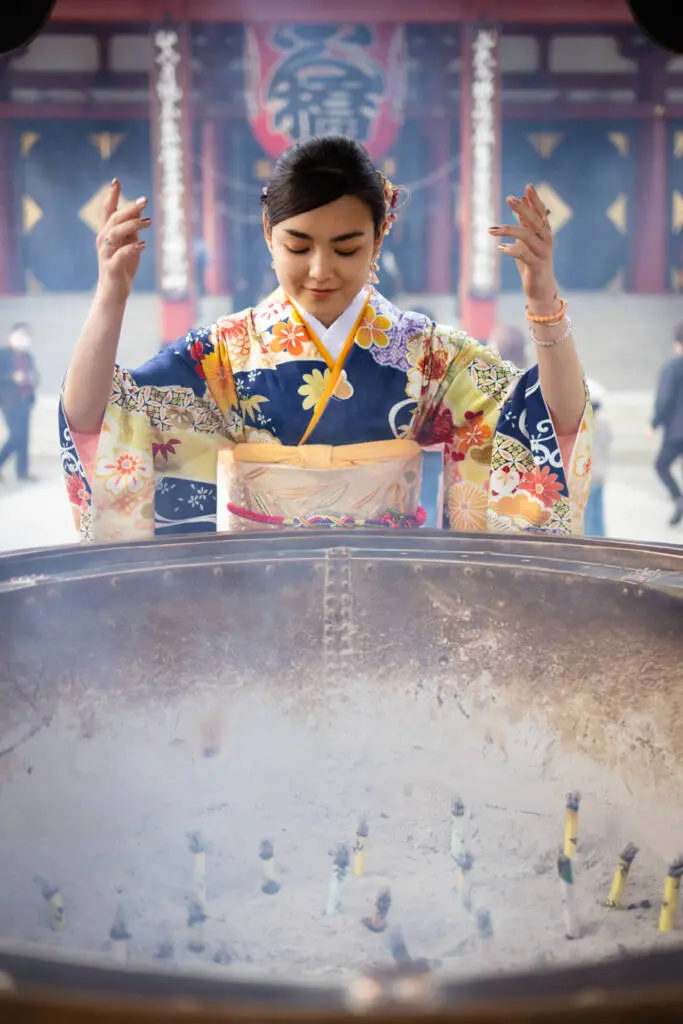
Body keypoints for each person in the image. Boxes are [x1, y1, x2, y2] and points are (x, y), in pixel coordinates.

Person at [60, 137, 591, 543]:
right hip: (257, 600)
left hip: (391, 595)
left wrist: (543, 299)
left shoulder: (427, 356)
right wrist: (111, 295)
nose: (320, 271)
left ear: (378, 238)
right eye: (298, 246)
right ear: (269, 233)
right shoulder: (224, 353)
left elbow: (547, 421)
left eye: (346, 248)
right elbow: (99, 419)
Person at [652, 323, 683, 526]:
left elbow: (665, 398)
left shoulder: (673, 366)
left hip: (677, 430)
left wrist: (654, 422)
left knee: (661, 465)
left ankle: (678, 499)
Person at [0, 322, 39, 483]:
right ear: (13, 335)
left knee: (24, 438)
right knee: (16, 435)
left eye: (27, 334)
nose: (25, 338)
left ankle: (22, 472)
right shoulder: (3, 354)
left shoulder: (27, 356)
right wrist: (12, 377)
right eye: (22, 334)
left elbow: (35, 374)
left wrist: (32, 379)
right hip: (9, 400)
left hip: (25, 400)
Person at [583, 379, 612, 538]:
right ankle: (602, 541)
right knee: (598, 515)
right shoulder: (605, 425)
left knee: (587, 517)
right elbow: (607, 447)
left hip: (587, 475)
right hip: (601, 474)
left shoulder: (583, 426)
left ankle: (589, 545)